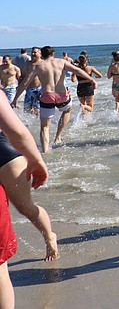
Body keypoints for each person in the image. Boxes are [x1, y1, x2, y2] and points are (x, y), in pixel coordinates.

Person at [0, 93, 50, 305]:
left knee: (25, 207)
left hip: (4, 151)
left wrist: (35, 160)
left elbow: (17, 131)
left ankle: (50, 237)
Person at [12, 46, 97, 152]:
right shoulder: (61, 62)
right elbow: (77, 70)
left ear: (42, 55)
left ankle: (45, 151)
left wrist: (15, 98)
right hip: (62, 96)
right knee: (67, 110)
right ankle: (58, 137)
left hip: (47, 96)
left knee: (44, 127)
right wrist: (91, 79)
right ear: (53, 54)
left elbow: (25, 83)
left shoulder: (37, 66)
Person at [19, 47, 42, 116]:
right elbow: (23, 75)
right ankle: (28, 125)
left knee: (37, 108)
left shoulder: (42, 63)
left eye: (35, 52)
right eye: (32, 52)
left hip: (39, 89)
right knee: (26, 109)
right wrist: (20, 85)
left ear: (40, 53)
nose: (32, 54)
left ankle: (38, 124)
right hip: (29, 88)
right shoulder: (28, 63)